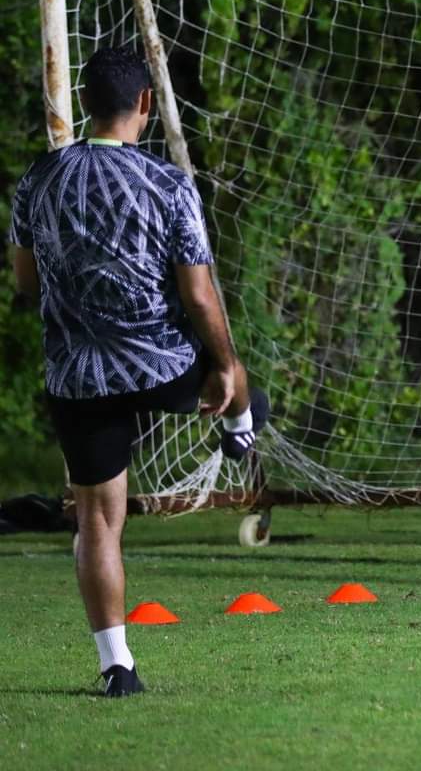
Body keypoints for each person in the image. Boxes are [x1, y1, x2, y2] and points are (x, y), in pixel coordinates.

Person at [9, 47, 269, 695]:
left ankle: (117, 667)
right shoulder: (168, 184)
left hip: (78, 374)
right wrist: (223, 367)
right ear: (145, 103)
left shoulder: (38, 179)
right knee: (235, 376)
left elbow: (25, 284)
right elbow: (199, 297)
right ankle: (239, 426)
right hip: (161, 363)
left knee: (99, 521)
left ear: (85, 103)